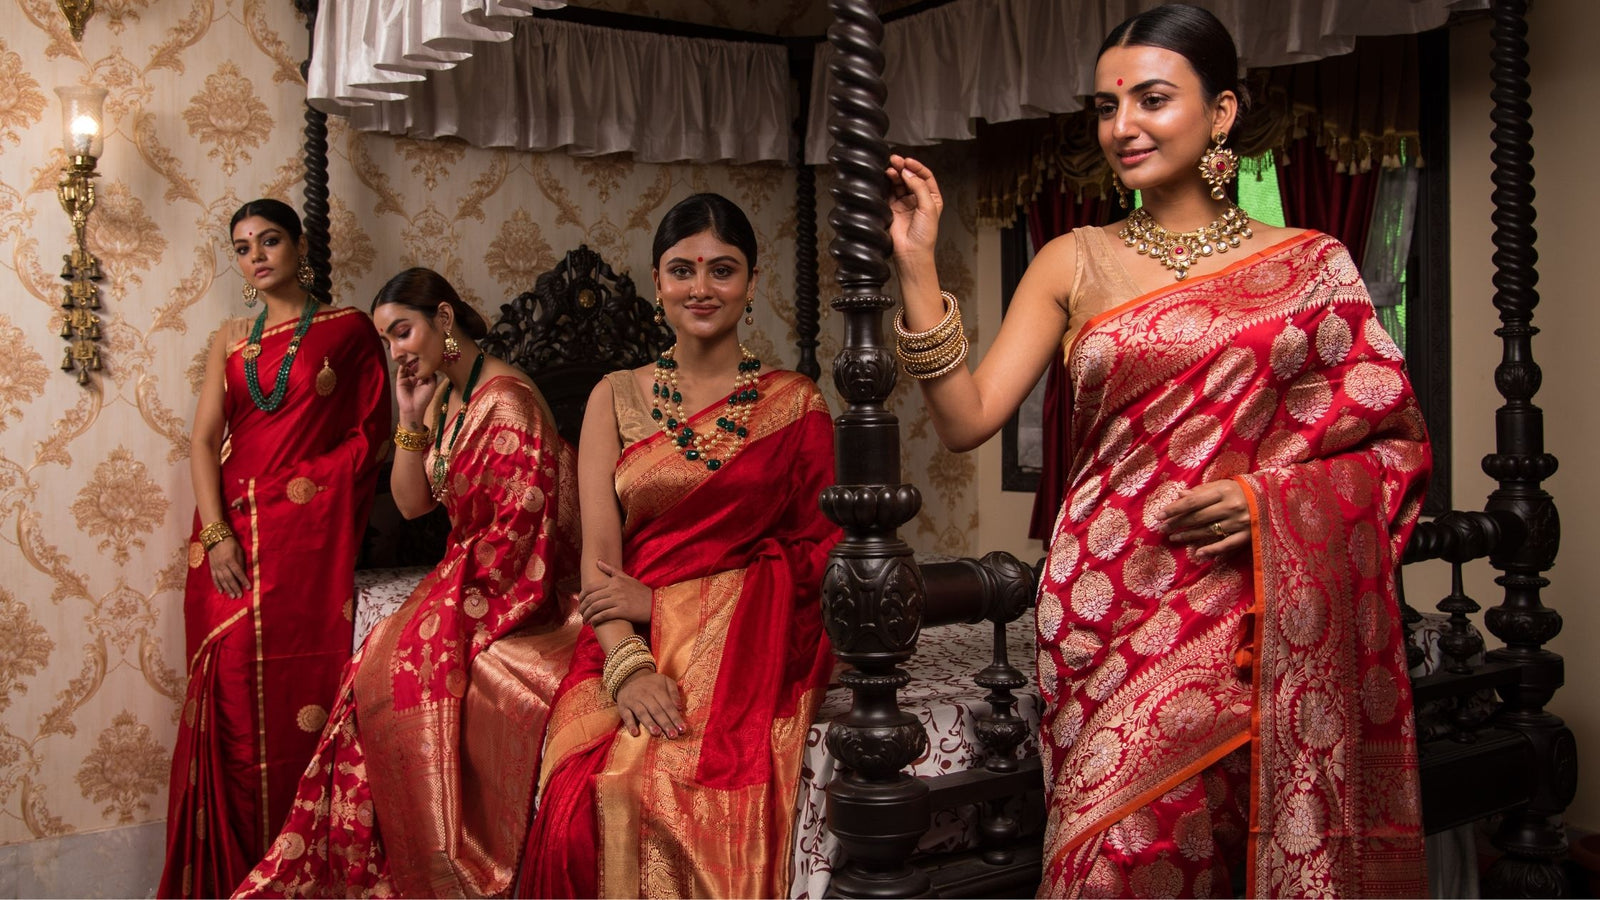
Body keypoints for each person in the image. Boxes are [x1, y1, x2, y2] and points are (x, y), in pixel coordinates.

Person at [883, 6, 1431, 897]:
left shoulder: (1314, 265)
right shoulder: (1073, 258)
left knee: (1238, 833)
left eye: (1151, 99)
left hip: (1249, 600)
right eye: (1106, 106)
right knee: (1119, 857)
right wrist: (918, 266)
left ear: (1222, 112)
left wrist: (1267, 503)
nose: (1122, 126)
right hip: (1102, 597)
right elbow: (966, 418)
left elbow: (1391, 442)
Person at [516, 193, 839, 898]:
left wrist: (670, 599)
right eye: (682, 269)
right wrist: (630, 668)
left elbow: (816, 560)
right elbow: (600, 564)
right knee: (586, 794)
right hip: (624, 637)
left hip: (749, 650)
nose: (702, 287)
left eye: (722, 270)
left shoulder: (794, 404)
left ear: (752, 284)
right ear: (658, 281)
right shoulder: (614, 396)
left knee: (677, 788)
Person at [234, 268, 582, 897]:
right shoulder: (447, 396)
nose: (395, 349)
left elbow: (524, 534)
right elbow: (413, 502)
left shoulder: (507, 399)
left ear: (443, 320)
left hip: (529, 578)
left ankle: (434, 865)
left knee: (394, 663)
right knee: (377, 663)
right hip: (474, 567)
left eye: (403, 331)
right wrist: (410, 414)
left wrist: (448, 601)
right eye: (386, 339)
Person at [159, 199, 391, 899]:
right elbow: (203, 442)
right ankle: (232, 877)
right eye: (241, 247)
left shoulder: (348, 330)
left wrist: (298, 497)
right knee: (227, 690)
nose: (255, 256)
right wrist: (220, 531)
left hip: (301, 543)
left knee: (302, 692)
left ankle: (294, 871)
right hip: (226, 541)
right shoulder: (230, 338)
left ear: (298, 248)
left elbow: (371, 436)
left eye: (269, 241)